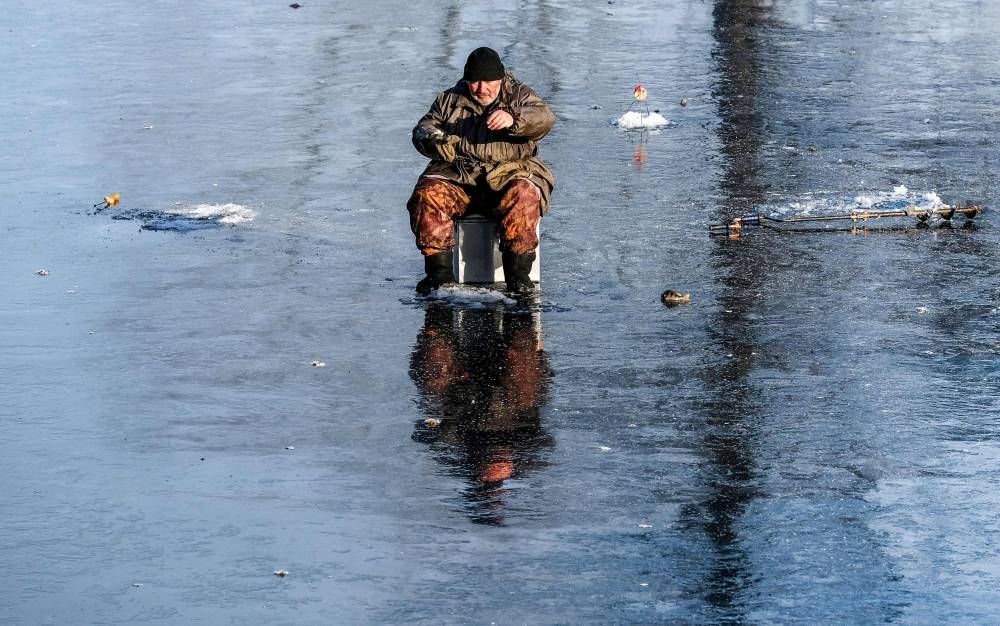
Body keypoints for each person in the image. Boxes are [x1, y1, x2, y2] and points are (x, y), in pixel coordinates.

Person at [407, 47, 556, 295]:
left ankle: (518, 277)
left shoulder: (518, 94)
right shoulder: (449, 99)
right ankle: (439, 277)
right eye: (475, 81)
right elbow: (423, 128)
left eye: (488, 82)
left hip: (509, 174)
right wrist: (435, 140)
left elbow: (545, 117)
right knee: (428, 193)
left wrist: (513, 118)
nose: (480, 88)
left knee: (523, 194)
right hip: (459, 176)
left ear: (499, 79)